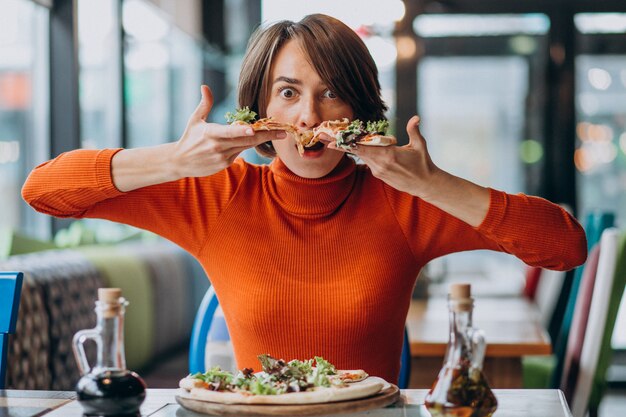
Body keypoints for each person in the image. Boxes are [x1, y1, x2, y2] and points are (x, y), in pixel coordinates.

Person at [22, 14, 586, 383]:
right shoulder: (216, 197)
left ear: (359, 109)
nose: (309, 118)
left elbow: (565, 245)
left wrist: (429, 182)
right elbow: (43, 191)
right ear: (257, 112)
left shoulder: (403, 201)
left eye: (331, 93)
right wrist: (173, 160)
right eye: (288, 93)